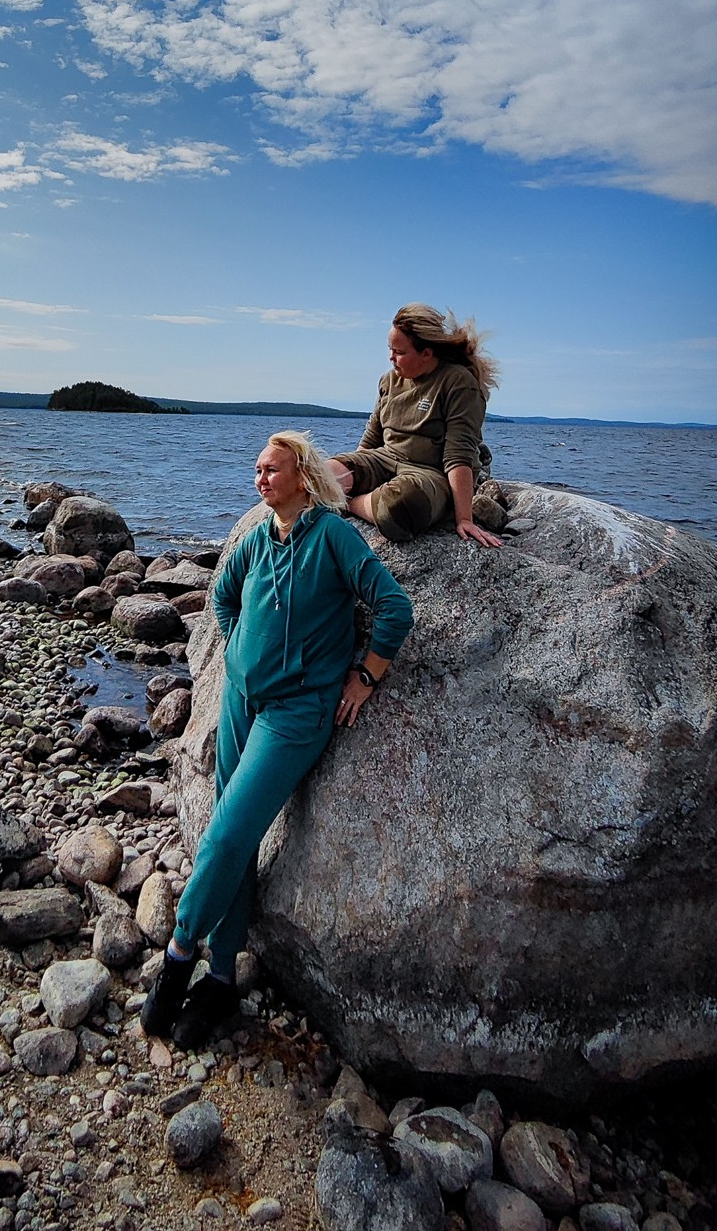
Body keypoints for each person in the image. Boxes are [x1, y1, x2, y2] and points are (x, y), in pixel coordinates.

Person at [141, 431, 413, 1049]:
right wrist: (237, 650)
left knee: (230, 830)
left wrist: (365, 676)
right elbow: (221, 595)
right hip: (241, 700)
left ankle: (179, 955)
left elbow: (394, 607)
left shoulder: (334, 536)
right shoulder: (259, 535)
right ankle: (219, 976)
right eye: (257, 469)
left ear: (302, 477)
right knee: (232, 835)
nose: (260, 479)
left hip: (295, 714)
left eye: (271, 470)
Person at [329, 303, 502, 549]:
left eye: (399, 351)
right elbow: (371, 439)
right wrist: (351, 473)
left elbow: (458, 455)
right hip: (385, 459)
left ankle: (350, 503)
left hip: (430, 473)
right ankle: (361, 499)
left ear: (427, 353)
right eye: (390, 349)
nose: (391, 357)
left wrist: (464, 518)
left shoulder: (459, 383)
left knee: (397, 508)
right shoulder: (389, 380)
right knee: (319, 474)